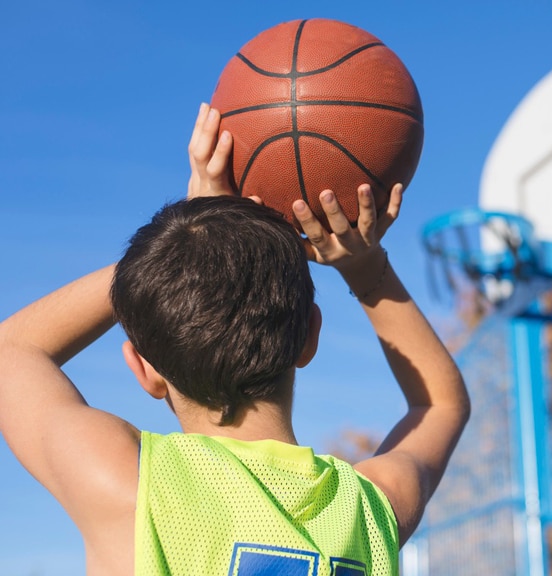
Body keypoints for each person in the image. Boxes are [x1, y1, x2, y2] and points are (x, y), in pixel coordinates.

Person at [0, 103, 470, 575]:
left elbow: (12, 350)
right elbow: (440, 405)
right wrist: (366, 268)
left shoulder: (128, 482)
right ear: (310, 336)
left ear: (143, 368)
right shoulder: (369, 507)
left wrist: (178, 248)